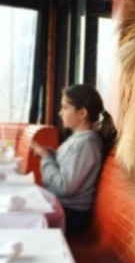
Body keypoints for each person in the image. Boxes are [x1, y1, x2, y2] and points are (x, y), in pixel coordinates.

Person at [32, 84, 116, 235]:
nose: (60, 113)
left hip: (71, 214)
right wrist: (52, 156)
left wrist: (46, 158)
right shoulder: (79, 140)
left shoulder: (86, 144)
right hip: (63, 206)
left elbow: (65, 187)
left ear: (82, 113)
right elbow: (66, 167)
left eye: (65, 108)